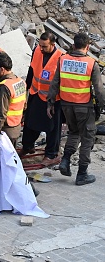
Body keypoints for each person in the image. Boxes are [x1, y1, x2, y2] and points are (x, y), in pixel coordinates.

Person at [47, 33, 105, 186]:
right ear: (87, 47)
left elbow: (54, 83)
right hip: (84, 107)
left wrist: (50, 103)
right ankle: (82, 173)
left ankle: (65, 160)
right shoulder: (91, 64)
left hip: (66, 105)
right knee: (87, 137)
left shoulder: (63, 59)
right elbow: (99, 90)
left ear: (73, 45)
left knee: (74, 132)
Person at [22, 32, 64, 165]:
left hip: (52, 99)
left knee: (52, 128)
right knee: (30, 122)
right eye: (40, 45)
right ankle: (27, 146)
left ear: (53, 44)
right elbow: (32, 70)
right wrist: (26, 88)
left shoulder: (61, 57)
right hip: (35, 92)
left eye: (44, 46)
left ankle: (51, 154)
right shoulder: (37, 51)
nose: (41, 48)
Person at [0, 52, 26, 148]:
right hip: (16, 126)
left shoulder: (4, 87)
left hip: (6, 129)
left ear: (2, 69)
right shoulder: (20, 81)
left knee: (3, 158)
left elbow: (2, 113)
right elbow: (24, 105)